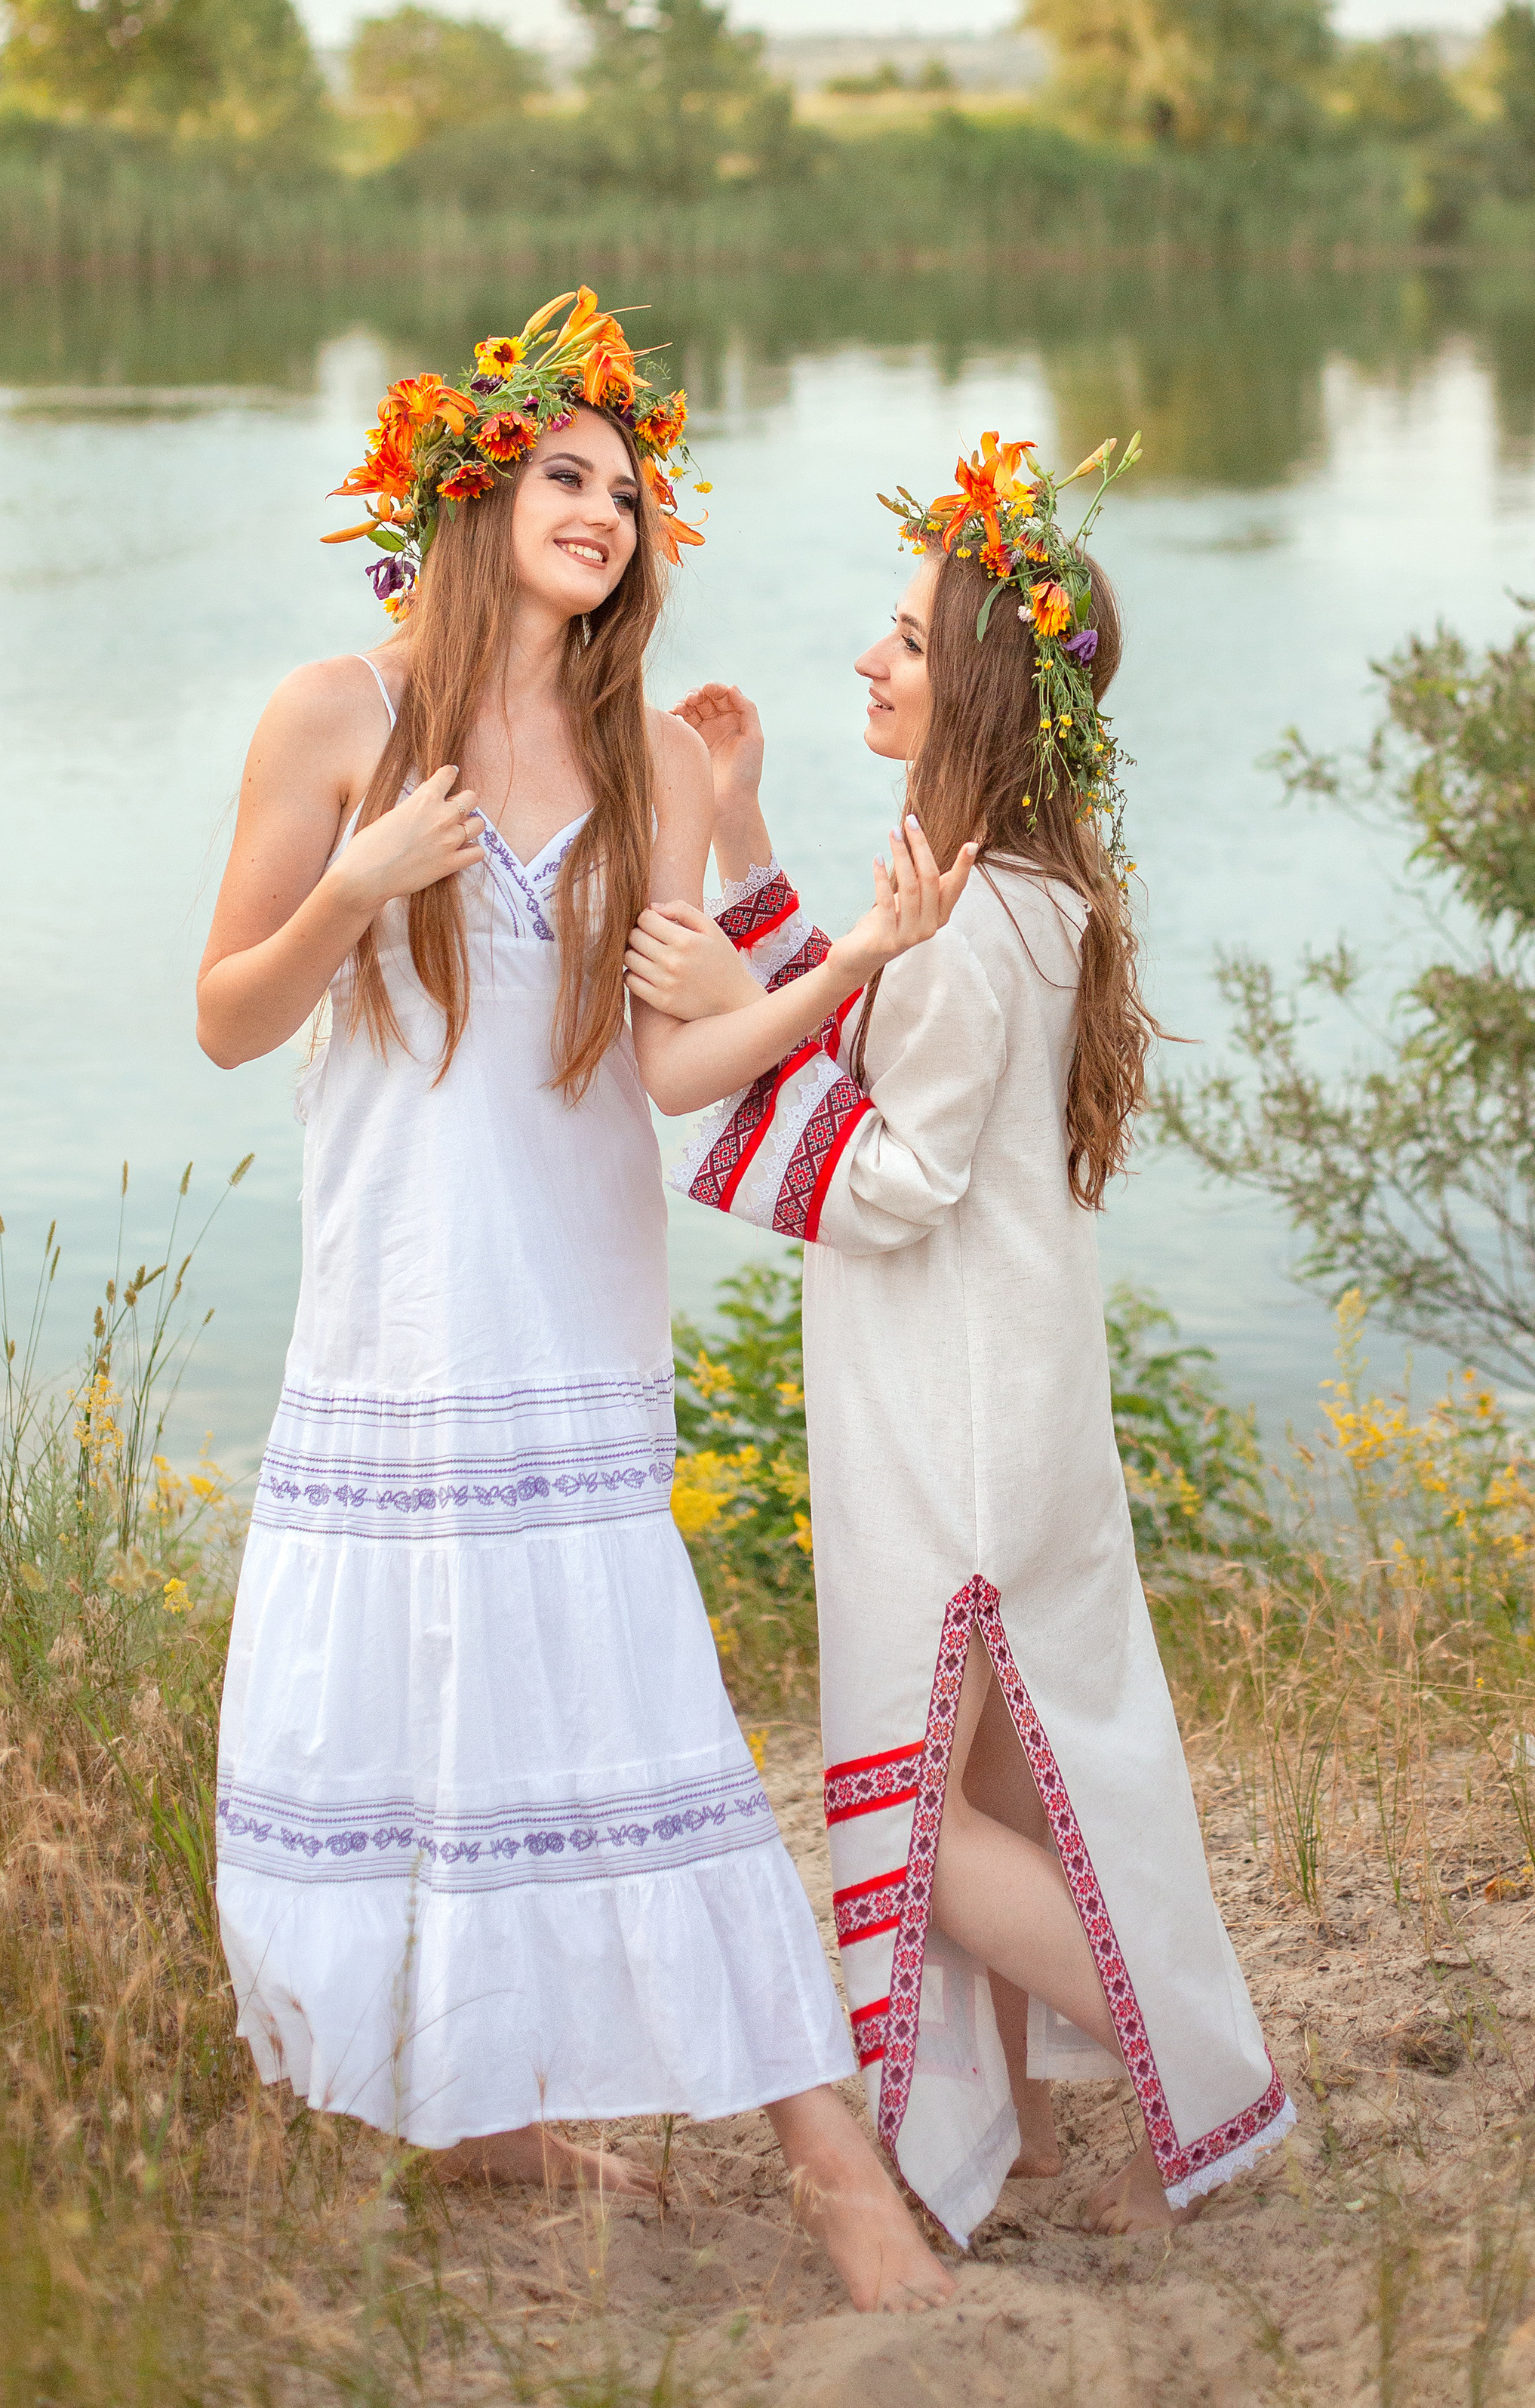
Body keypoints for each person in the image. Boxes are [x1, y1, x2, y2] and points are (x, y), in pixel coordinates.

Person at [195, 290, 955, 2312]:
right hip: (396, 1322)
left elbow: (679, 1076)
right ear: (474, 489)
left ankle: (835, 2178)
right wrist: (359, 886)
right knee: (432, 1700)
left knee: (651, 1726)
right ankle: (490, 2115)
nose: (606, 510)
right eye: (565, 474)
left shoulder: (660, 766)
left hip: (572, 1320)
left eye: (627, 489)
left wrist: (857, 947)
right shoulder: (337, 717)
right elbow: (221, 1018)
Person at [622, 431, 1294, 2248]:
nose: (868, 657)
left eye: (906, 636)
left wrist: (720, 1004)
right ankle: (1024, 2152)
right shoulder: (1006, 886)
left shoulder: (973, 915)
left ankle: (1197, 2056)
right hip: (1003, 1394)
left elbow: (895, 1165)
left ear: (983, 681)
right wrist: (752, 844)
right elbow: (862, 1042)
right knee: (1006, 1778)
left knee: (917, 1833)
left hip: (955, 1417)